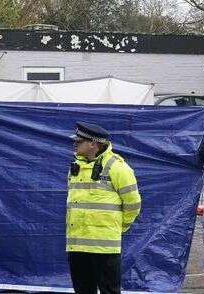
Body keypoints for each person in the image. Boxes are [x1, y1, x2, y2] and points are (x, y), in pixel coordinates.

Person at [66, 122, 141, 294]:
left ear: (94, 144)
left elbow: (133, 204)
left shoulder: (118, 167)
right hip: (77, 246)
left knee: (109, 291)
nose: (75, 143)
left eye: (80, 141)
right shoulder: (75, 168)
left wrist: (118, 228)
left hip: (104, 248)